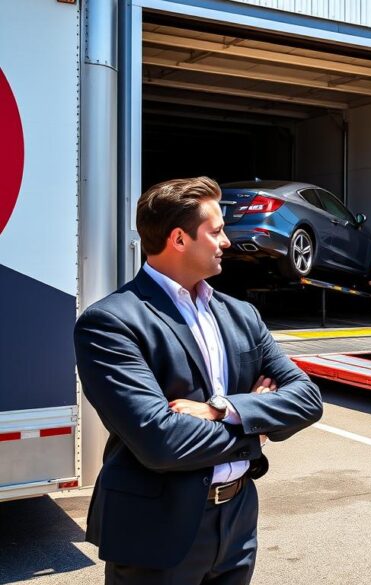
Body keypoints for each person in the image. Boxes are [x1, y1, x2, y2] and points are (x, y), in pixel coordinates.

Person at [74, 176, 323, 585]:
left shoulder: (241, 314)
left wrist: (221, 410)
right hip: (156, 532)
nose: (226, 241)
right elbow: (161, 441)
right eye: (217, 231)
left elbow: (307, 399)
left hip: (237, 522)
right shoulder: (112, 323)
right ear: (178, 239)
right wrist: (256, 431)